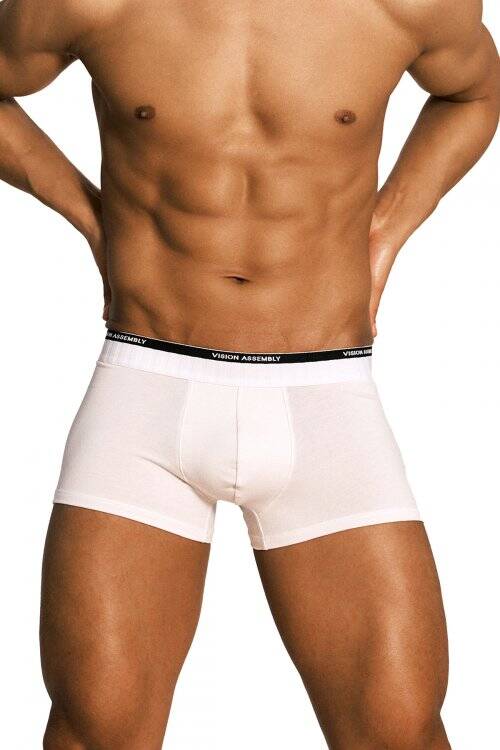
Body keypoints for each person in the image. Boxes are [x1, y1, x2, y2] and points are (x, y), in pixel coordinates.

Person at [1, 0, 498, 747]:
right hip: (147, 392)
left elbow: (476, 92)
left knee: (400, 731)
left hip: (325, 397)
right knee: (96, 730)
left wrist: (385, 232)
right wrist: (90, 217)